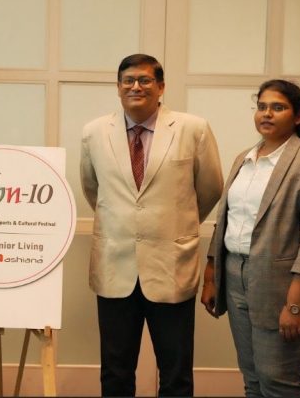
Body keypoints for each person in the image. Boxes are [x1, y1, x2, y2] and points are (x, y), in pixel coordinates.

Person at [80, 53, 223, 397]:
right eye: (128, 80)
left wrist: (176, 220)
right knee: (115, 372)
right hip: (115, 267)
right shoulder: (94, 132)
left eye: (145, 80)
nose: (136, 87)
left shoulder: (193, 129)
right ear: (118, 88)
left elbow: (210, 188)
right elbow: (93, 189)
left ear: (161, 87)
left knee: (176, 373)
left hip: (171, 265)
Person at [201, 79, 300, 397]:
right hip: (235, 276)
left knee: (279, 382)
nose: (267, 113)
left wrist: (295, 305)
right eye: (262, 107)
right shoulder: (244, 159)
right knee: (252, 380)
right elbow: (226, 220)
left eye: (278, 107)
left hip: (283, 285)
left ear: (298, 116)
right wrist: (211, 276)